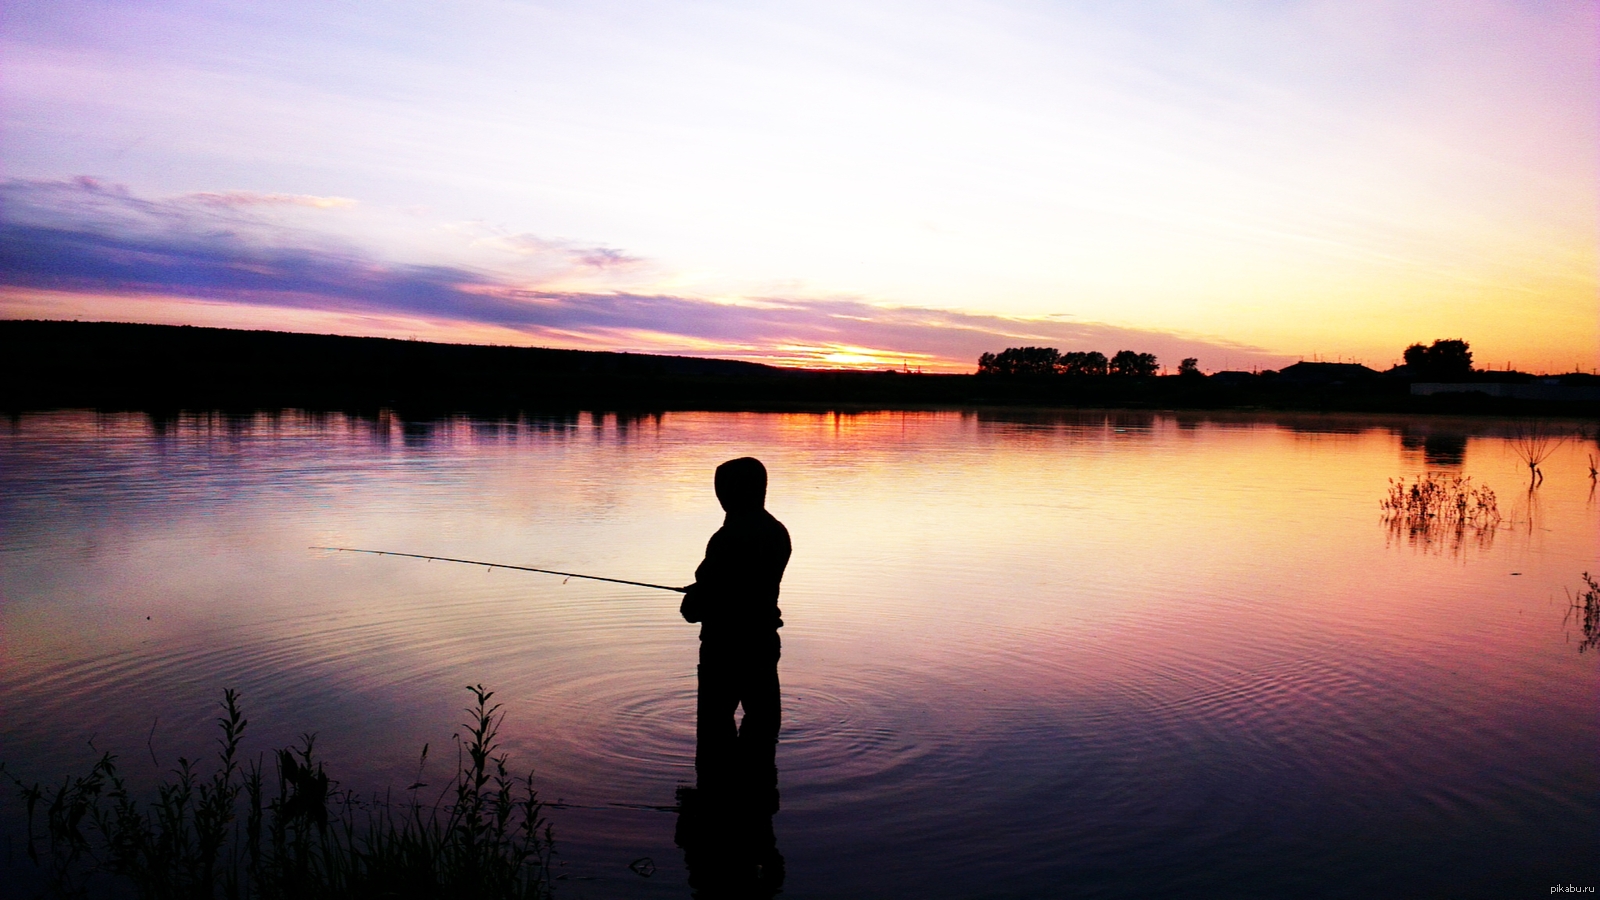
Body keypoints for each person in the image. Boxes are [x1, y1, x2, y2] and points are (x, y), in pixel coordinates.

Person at [680, 457, 791, 795]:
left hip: (724, 650)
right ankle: (756, 805)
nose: (720, 495)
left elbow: (697, 607)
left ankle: (716, 804)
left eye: (723, 488)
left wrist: (693, 599)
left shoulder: (727, 538)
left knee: (714, 733)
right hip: (762, 645)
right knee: (762, 727)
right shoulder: (776, 532)